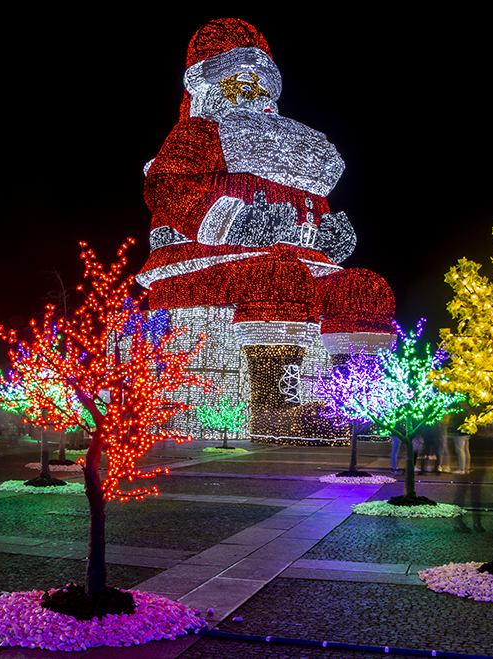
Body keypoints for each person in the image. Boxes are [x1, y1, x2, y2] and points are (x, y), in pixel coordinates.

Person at [137, 18, 396, 439]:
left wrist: (331, 239)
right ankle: (275, 409)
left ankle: (354, 403)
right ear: (209, 87)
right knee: (278, 277)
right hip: (203, 264)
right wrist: (235, 221)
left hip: (301, 264)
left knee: (364, 287)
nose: (252, 90)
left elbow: (314, 214)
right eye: (238, 80)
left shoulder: (293, 152)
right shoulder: (198, 135)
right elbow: (165, 187)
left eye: (260, 81)